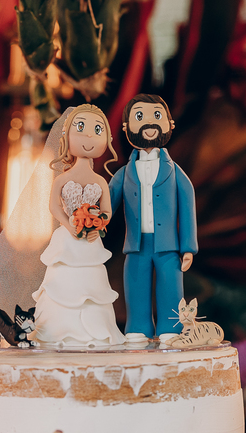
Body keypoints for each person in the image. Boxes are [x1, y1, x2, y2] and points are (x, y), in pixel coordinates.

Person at [30, 104, 126, 346]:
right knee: (63, 280)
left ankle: (95, 332)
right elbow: (53, 207)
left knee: (91, 284)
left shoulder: (101, 182)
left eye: (97, 129)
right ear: (66, 136)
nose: (89, 136)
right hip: (68, 238)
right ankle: (58, 331)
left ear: (107, 138)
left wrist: (98, 225)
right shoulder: (62, 179)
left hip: (91, 241)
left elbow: (107, 211)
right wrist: (69, 224)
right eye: (80, 127)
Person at [109, 94, 198, 341]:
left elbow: (187, 205)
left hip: (168, 246)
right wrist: (94, 219)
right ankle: (138, 327)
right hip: (136, 245)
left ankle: (171, 329)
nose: (150, 122)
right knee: (136, 286)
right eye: (140, 116)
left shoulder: (175, 172)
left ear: (170, 124)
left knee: (170, 287)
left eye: (156, 116)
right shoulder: (124, 173)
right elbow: (108, 202)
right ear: (126, 127)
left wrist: (188, 246)